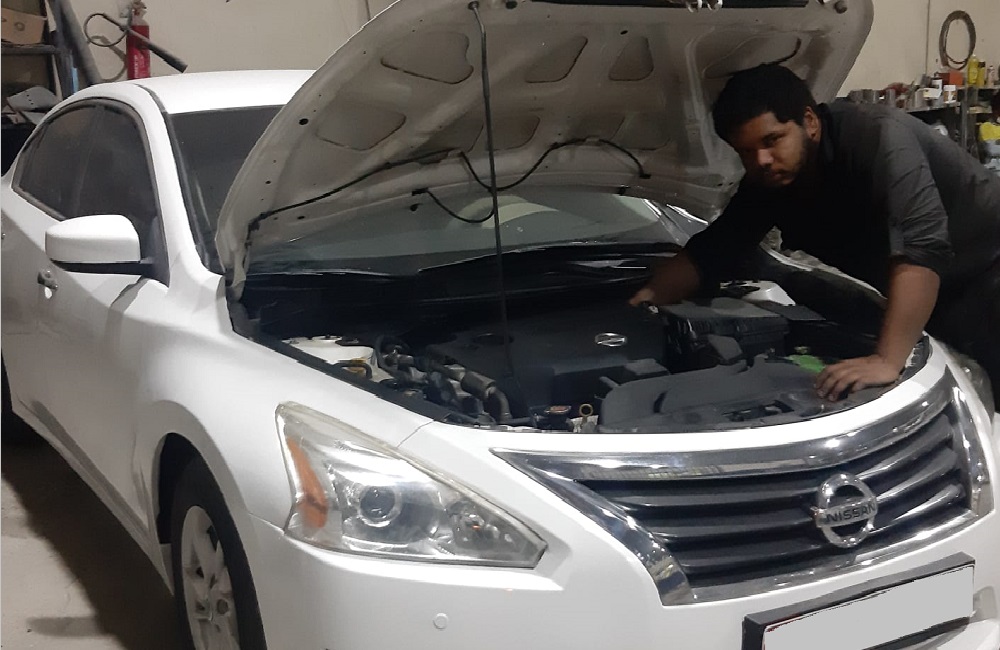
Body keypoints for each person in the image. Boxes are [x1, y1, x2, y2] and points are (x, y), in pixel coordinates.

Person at [630, 64, 1000, 408]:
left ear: (809, 121)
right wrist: (644, 303)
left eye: (772, 139)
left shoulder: (878, 137)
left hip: (988, 273)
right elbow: (716, 248)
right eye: (745, 151)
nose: (761, 160)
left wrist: (887, 360)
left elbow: (922, 246)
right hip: (937, 296)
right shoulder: (772, 179)